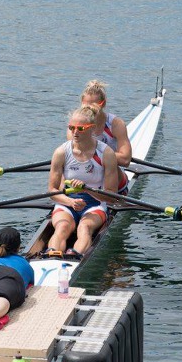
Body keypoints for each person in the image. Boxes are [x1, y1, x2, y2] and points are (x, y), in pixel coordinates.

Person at [48, 104, 119, 257]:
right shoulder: (61, 152)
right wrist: (70, 202)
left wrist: (86, 189)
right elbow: (52, 191)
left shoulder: (106, 153)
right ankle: (52, 255)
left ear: (92, 128)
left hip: (95, 203)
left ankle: (75, 256)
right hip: (67, 201)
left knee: (84, 227)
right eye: (71, 127)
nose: (74, 132)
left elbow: (112, 196)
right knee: (62, 227)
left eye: (80, 128)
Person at [70, 80, 132, 195]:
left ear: (103, 104)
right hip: (87, 175)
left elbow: (125, 160)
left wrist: (98, 155)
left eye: (93, 106)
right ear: (81, 103)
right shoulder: (76, 127)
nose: (90, 111)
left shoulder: (116, 124)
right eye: (86, 107)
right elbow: (75, 155)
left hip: (113, 177)